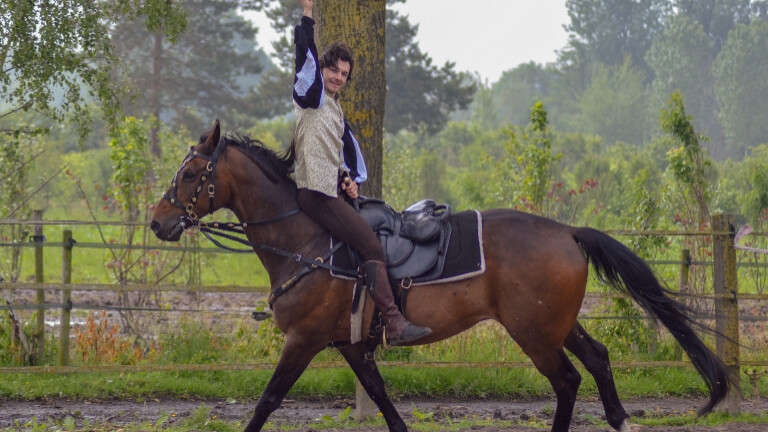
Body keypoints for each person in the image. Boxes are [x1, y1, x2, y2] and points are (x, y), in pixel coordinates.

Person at [290, 0, 431, 346]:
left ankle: (359, 319)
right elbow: (303, 51)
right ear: (321, 71)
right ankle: (394, 322)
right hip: (314, 194)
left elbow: (336, 156)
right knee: (370, 245)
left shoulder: (336, 111)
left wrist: (348, 181)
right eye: (334, 71)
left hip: (331, 191)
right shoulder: (310, 96)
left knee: (377, 228)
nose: (339, 78)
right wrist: (308, 13)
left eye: (344, 74)